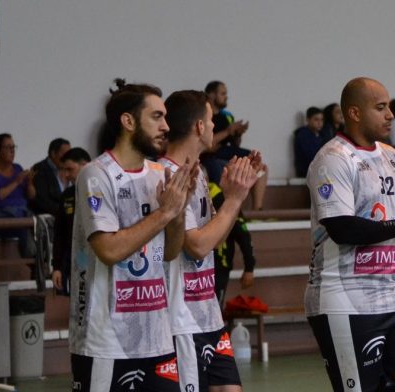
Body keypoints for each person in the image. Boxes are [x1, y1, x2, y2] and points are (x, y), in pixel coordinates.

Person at [305, 77, 395, 392]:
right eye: (381, 108)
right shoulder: (333, 158)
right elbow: (342, 228)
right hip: (346, 298)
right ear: (355, 113)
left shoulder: (392, 156)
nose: (391, 115)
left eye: (390, 107)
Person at [70, 79, 197, 391]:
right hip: (106, 343)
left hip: (157, 337)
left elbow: (169, 253)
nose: (166, 126)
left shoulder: (159, 175)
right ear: (127, 121)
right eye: (156, 117)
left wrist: (178, 211)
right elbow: (109, 251)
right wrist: (165, 213)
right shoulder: (96, 175)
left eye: (166, 117)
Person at [162, 89, 260, 392]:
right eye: (210, 120)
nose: (215, 127)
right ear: (198, 127)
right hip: (182, 319)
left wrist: (233, 193)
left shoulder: (200, 172)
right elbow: (197, 245)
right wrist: (233, 200)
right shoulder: (168, 174)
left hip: (209, 315)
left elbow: (215, 236)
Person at [203, 81, 268, 209]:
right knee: (224, 168)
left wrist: (237, 133)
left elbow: (235, 144)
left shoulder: (227, 117)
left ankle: (257, 210)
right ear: (211, 95)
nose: (226, 96)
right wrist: (227, 131)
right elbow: (208, 145)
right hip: (211, 158)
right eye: (222, 93)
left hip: (227, 153)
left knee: (261, 167)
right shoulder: (204, 116)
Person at [51, 147, 91, 295]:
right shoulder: (67, 195)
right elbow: (59, 233)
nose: (66, 175)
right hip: (73, 256)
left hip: (97, 256)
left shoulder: (102, 190)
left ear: (85, 165)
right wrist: (57, 267)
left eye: (70, 169)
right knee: (75, 302)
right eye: (64, 170)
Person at [0, 133, 36, 258]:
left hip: (22, 212)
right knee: (22, 222)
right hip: (1, 214)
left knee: (40, 224)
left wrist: (29, 183)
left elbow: (32, 196)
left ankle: (40, 259)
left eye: (13, 147)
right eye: (8, 147)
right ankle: (33, 259)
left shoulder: (17, 168)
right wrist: (16, 182)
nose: (12, 151)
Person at [28, 137, 71, 215]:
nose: (68, 158)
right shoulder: (40, 169)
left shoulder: (68, 169)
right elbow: (43, 201)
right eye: (65, 154)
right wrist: (66, 211)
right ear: (53, 153)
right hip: (49, 217)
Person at [294, 106, 334, 177]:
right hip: (307, 173)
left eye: (322, 120)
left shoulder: (322, 134)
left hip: (321, 171)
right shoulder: (303, 135)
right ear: (308, 120)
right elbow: (312, 156)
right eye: (316, 120)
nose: (319, 123)